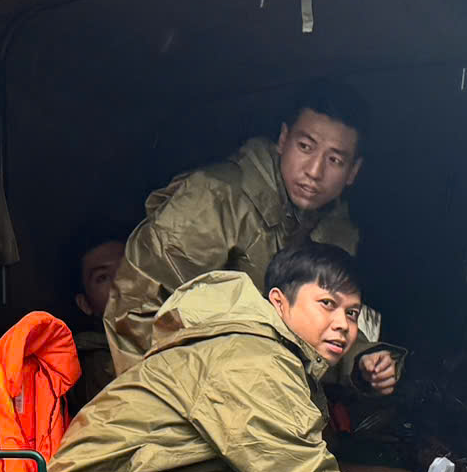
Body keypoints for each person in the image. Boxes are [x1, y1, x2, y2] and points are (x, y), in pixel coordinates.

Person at [49, 243, 381, 472]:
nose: (343, 324)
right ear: (279, 302)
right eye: (327, 303)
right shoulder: (251, 359)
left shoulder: (280, 360)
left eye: (352, 313)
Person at [102, 75, 401, 397]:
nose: (314, 172)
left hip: (261, 400)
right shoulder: (214, 200)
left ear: (352, 172)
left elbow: (315, 328)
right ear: (283, 140)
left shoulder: (337, 234)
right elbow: (137, 314)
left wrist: (361, 359)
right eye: (305, 147)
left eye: (334, 160)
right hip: (182, 395)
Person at [63, 239, 124, 416]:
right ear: (85, 304)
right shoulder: (90, 368)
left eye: (126, 269)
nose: (119, 283)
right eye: (102, 277)